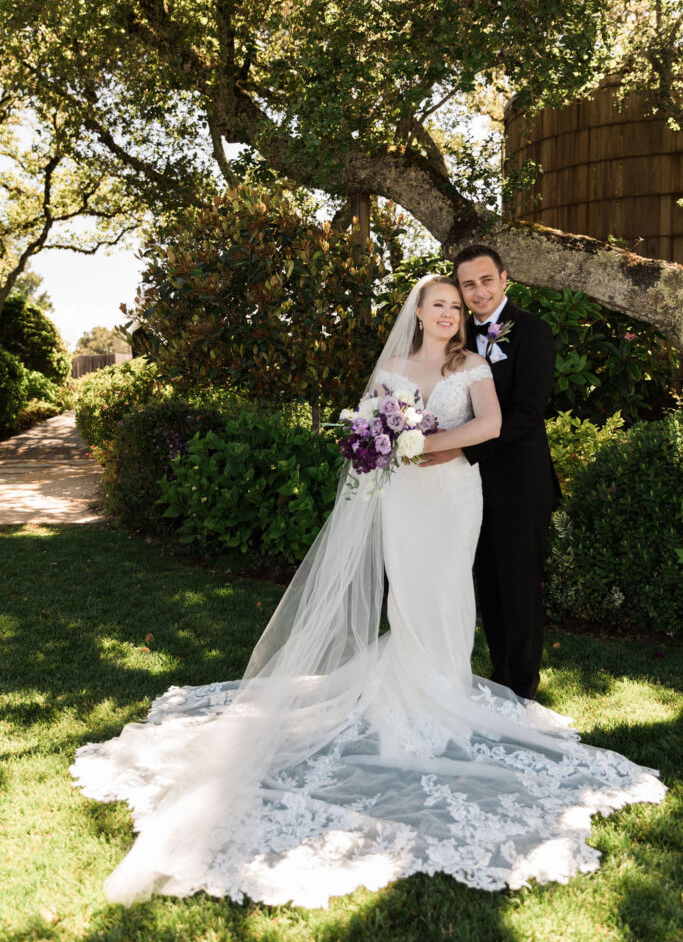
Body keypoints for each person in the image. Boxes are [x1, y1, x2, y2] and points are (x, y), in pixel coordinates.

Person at [71, 275, 665, 909]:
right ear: (419, 312)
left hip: (457, 494)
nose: (447, 313)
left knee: (448, 593)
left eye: (455, 307)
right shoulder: (394, 367)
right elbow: (369, 438)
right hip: (406, 500)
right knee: (409, 590)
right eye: (437, 304)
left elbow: (490, 424)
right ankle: (416, 689)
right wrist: (391, 445)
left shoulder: (474, 364)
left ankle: (446, 685)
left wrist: (427, 442)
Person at [424, 246, 560, 700]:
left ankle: (521, 691)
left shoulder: (534, 332)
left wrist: (461, 449)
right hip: (466, 488)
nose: (478, 291)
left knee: (519, 592)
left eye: (486, 280)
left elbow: (527, 414)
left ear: (504, 279)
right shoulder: (456, 336)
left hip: (520, 485)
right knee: (488, 590)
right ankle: (501, 682)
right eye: (468, 284)